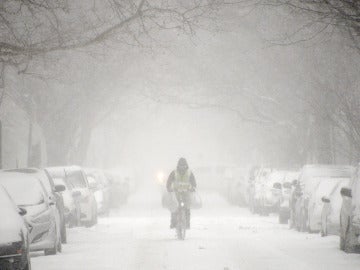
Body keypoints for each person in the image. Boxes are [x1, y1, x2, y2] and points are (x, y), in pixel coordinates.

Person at [166, 158, 197, 229]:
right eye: (181, 165)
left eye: (184, 166)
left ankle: (187, 223)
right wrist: (169, 188)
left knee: (187, 208)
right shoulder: (174, 172)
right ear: (178, 165)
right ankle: (173, 222)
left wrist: (193, 188)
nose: (182, 167)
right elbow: (169, 181)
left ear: (186, 165)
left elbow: (193, 182)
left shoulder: (189, 173)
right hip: (176, 193)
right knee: (174, 207)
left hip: (186, 193)